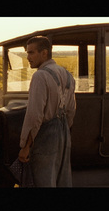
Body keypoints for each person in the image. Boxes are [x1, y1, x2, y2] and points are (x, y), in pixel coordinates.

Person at [18, 36, 76, 187]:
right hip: (64, 133)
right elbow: (71, 110)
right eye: (27, 53)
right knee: (62, 180)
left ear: (44, 53)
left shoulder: (40, 75)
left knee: (43, 180)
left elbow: (34, 116)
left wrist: (25, 146)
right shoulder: (68, 75)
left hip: (46, 135)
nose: (28, 57)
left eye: (31, 53)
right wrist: (64, 131)